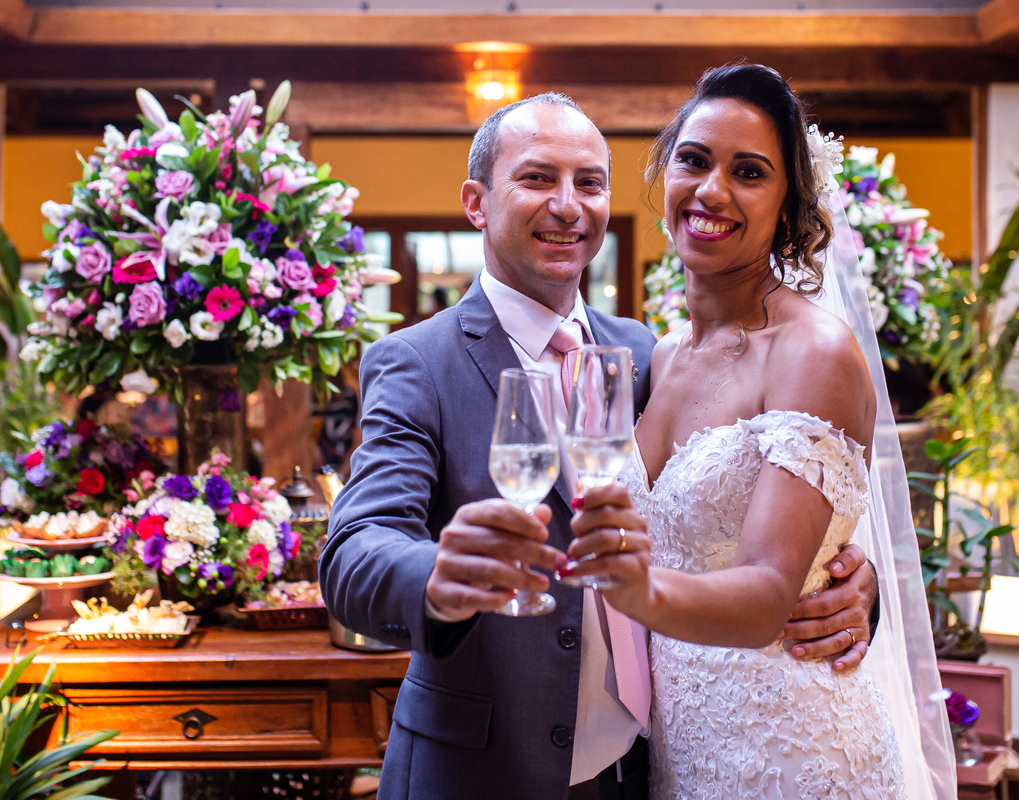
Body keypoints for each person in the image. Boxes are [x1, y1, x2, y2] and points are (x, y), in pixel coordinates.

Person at [320, 92, 880, 800]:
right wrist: (438, 575)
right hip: (488, 773)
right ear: (476, 202)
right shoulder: (416, 362)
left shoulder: (651, 355)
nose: (568, 205)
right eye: (535, 178)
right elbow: (354, 550)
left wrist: (849, 581)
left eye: (589, 182)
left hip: (647, 770)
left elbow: (733, 522)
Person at [565, 65, 955, 799]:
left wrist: (632, 586)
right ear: (665, 172)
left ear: (788, 206)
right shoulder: (662, 355)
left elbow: (771, 590)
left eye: (749, 172)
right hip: (684, 750)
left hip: (794, 750)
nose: (712, 191)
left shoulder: (815, 352)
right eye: (694, 160)